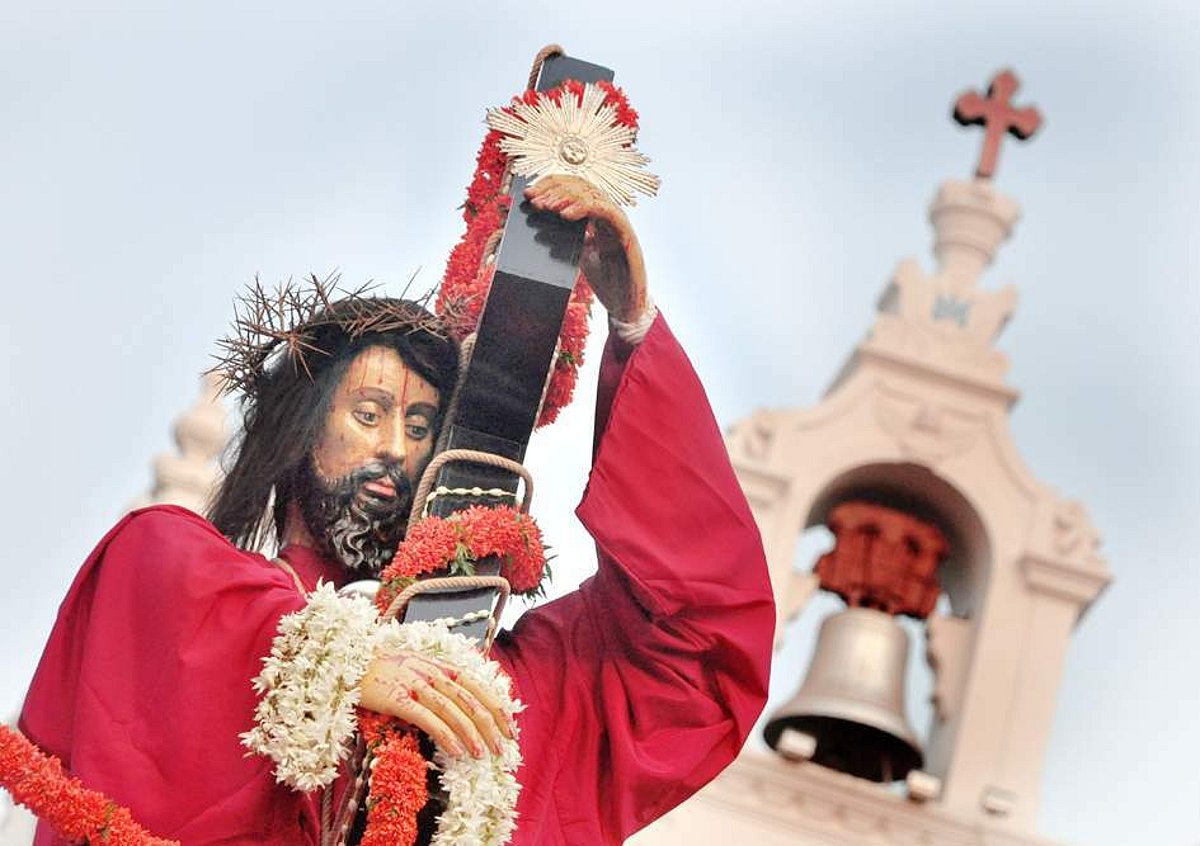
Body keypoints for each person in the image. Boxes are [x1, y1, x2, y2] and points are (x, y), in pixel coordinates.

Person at [20, 175, 775, 844]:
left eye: (419, 428)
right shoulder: (183, 577)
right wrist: (338, 664)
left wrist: (633, 322)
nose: (394, 449)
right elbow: (158, 584)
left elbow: (703, 641)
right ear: (296, 434)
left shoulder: (488, 695)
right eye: (369, 412)